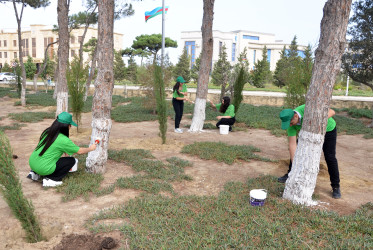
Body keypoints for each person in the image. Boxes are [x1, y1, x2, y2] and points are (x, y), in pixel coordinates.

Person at [278, 104, 341, 199]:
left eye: (291, 123)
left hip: (328, 130)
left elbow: (332, 112)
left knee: (330, 156)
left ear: (295, 116)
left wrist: (316, 122)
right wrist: (296, 165)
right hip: (309, 133)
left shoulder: (306, 108)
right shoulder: (291, 124)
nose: (290, 125)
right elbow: (292, 145)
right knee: (297, 151)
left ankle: (336, 186)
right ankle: (290, 173)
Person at [28, 112, 97, 187]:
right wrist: (91, 148)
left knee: (52, 158)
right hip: (43, 168)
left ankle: (35, 173)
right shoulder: (63, 140)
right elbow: (80, 151)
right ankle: (51, 179)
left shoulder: (48, 131)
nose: (70, 127)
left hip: (32, 163)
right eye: (70, 125)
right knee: (71, 161)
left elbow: (62, 149)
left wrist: (67, 154)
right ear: (66, 126)